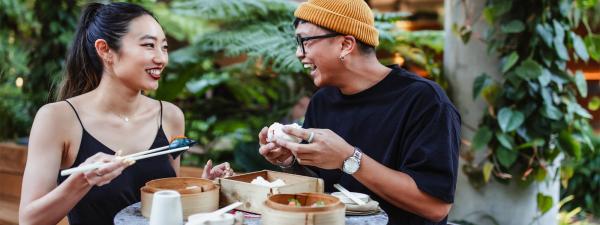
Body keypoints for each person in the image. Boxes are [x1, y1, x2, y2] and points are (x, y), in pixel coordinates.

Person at [18, 3, 231, 225]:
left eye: (164, 47)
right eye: (149, 45)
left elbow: (165, 203)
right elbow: (29, 220)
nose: (162, 59)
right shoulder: (57, 118)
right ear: (105, 50)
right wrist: (81, 180)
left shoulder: (171, 116)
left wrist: (202, 189)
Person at [258, 0, 461, 224]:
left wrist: (348, 158)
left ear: (345, 44)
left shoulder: (425, 100)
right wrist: (290, 161)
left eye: (305, 41)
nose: (299, 53)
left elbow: (435, 207)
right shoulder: (322, 101)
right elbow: (318, 189)